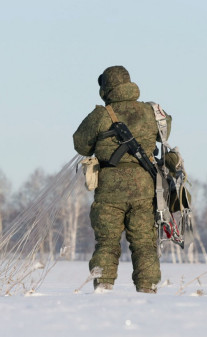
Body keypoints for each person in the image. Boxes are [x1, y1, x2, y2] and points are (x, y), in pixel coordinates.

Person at [73, 66, 171, 293]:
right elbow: (167, 129)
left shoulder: (101, 115)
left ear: (105, 88)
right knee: (145, 244)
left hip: (109, 189)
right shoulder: (151, 111)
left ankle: (103, 287)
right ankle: (149, 290)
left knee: (106, 243)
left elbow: (80, 144)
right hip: (145, 188)